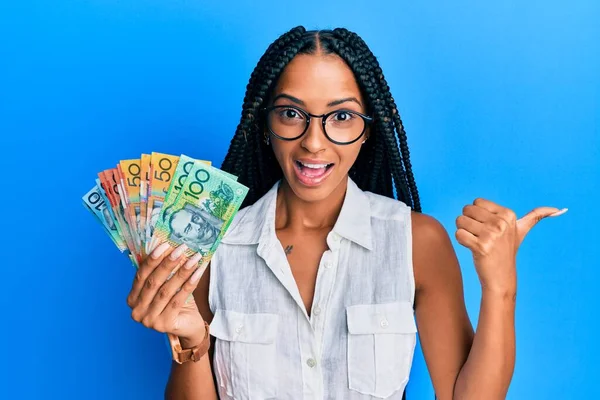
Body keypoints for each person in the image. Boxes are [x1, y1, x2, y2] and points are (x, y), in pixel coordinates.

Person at [126, 26, 566, 399]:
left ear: (367, 131)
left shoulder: (416, 242)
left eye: (340, 117)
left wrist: (500, 286)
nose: (313, 142)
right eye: (292, 113)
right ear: (265, 125)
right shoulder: (211, 247)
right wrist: (192, 343)